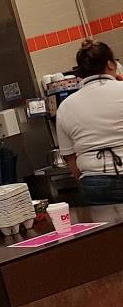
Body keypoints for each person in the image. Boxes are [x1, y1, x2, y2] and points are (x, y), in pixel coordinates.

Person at [55, 39, 123, 204]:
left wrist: (86, 180)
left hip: (94, 183)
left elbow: (69, 157)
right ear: (110, 64)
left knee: (108, 223)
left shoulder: (65, 106)